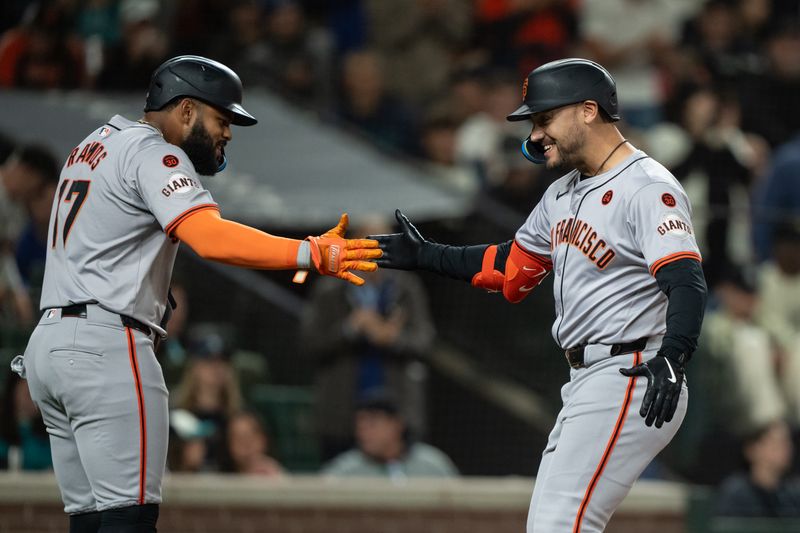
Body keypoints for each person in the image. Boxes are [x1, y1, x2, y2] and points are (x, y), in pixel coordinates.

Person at [14, 55, 380, 532]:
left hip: (49, 350)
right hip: (105, 347)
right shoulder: (155, 152)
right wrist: (310, 253)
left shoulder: (93, 144)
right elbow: (209, 237)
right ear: (186, 110)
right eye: (221, 118)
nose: (228, 133)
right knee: (130, 520)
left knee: (91, 522)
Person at [372, 58, 707, 532]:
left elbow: (686, 281)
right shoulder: (561, 194)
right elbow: (510, 269)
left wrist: (674, 356)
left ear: (588, 110)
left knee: (559, 524)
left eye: (545, 118)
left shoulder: (646, 186)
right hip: (588, 379)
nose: (536, 135)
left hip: (632, 371)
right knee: (552, 524)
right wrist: (428, 255)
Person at [301, 217, 435, 461]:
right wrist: (349, 329)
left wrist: (392, 338)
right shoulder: (330, 289)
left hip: (397, 416)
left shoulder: (407, 289)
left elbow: (424, 341)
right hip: (340, 417)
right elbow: (310, 343)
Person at [322, 391, 458, 479]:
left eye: (372, 424)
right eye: (360, 426)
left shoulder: (432, 464)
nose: (363, 432)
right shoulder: (343, 471)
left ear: (397, 424)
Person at [716, 419, 800, 518]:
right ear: (751, 450)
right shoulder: (735, 493)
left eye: (788, 443)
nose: (786, 449)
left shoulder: (792, 495)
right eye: (776, 443)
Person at [221, 410, 284, 477]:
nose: (245, 445)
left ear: (263, 439)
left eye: (250, 438)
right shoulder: (219, 477)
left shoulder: (275, 474)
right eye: (238, 439)